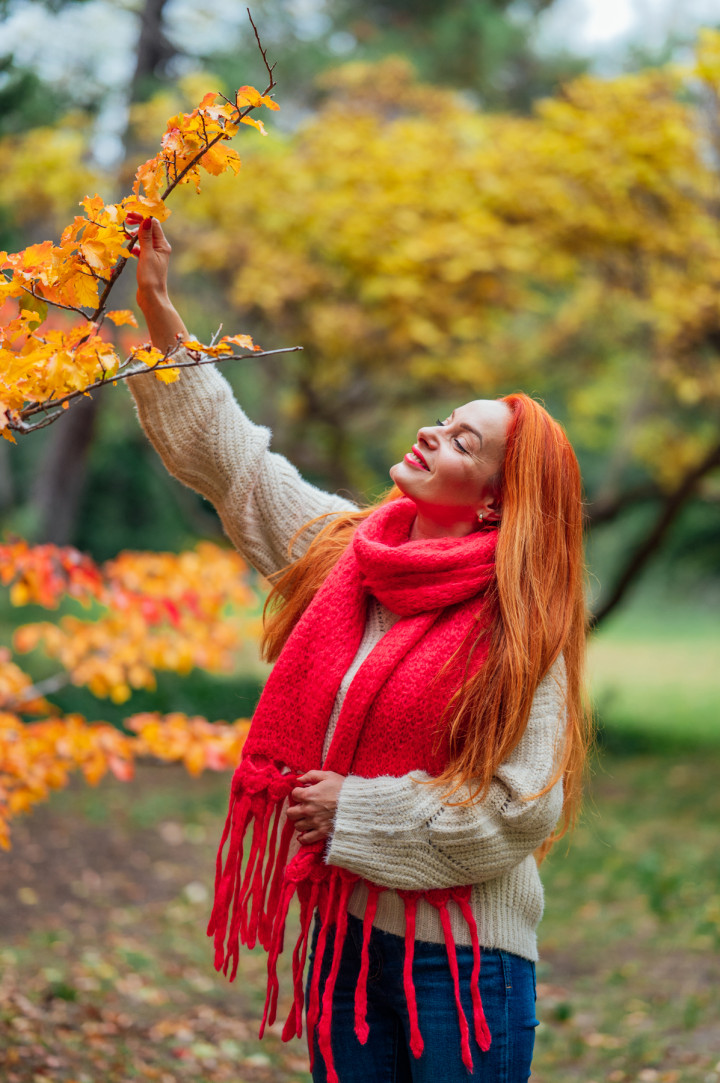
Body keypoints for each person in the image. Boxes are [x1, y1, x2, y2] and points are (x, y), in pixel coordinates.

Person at [126, 213, 590, 1083]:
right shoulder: (350, 555)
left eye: (463, 441)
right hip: (344, 937)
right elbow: (241, 468)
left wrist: (357, 811)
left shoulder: (521, 627)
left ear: (495, 502)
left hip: (461, 964)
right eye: (443, 419)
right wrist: (159, 308)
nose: (430, 433)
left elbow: (521, 807)